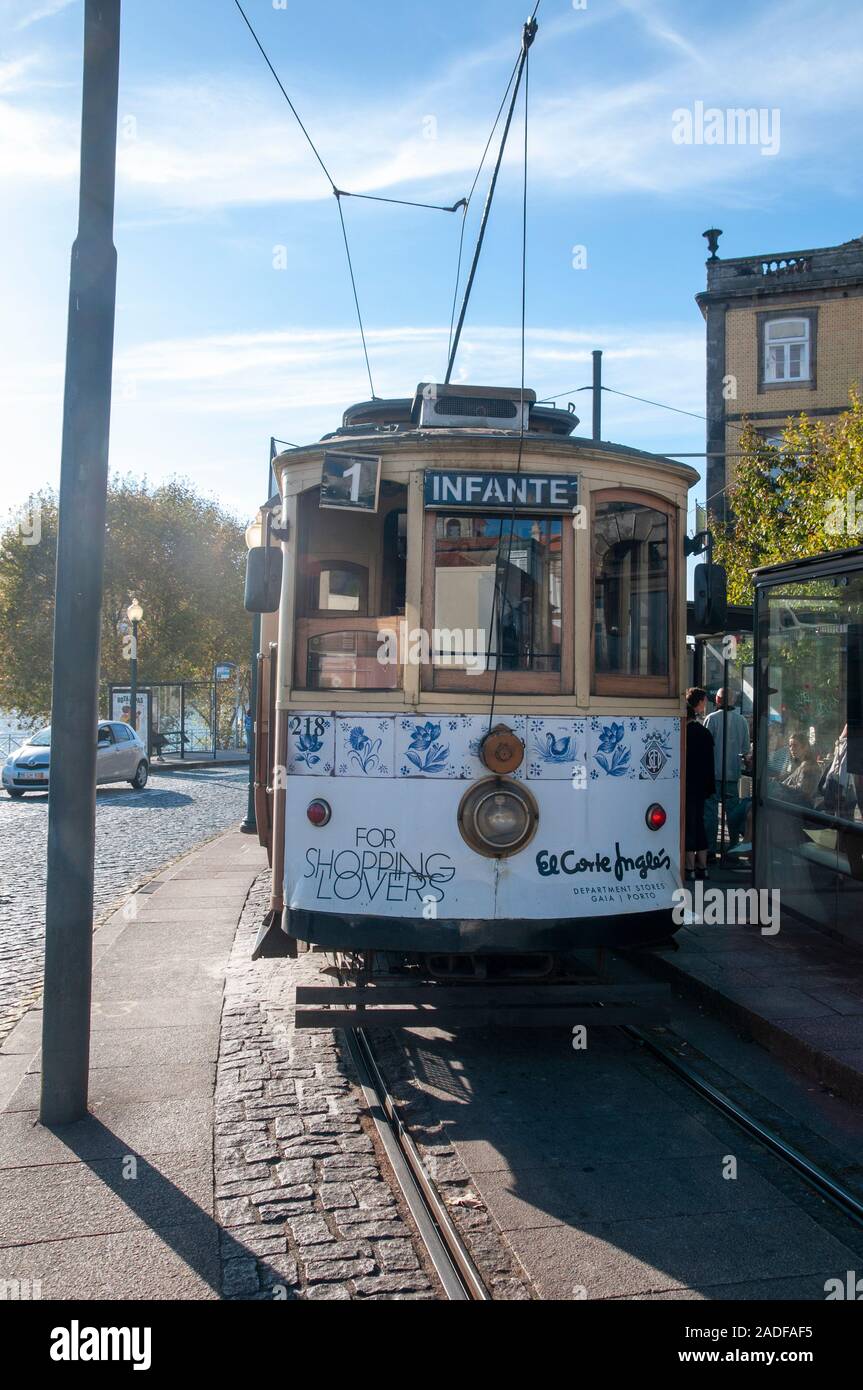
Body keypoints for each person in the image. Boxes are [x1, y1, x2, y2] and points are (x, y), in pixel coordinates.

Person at [704, 687, 751, 856]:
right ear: (733, 700)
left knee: (710, 814)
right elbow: (746, 749)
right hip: (732, 775)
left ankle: (709, 850)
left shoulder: (711, 719)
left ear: (717, 700)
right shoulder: (742, 721)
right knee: (732, 815)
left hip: (712, 775)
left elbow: (705, 747)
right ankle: (732, 848)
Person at [685, 688, 715, 881]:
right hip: (701, 786)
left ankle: (689, 868)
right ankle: (702, 866)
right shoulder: (704, 733)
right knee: (700, 823)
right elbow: (710, 763)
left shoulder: (683, 734)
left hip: (686, 786)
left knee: (688, 824)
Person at [776, 731, 820, 805]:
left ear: (805, 747)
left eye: (795, 745)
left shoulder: (810, 767)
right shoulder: (800, 764)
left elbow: (802, 793)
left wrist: (780, 786)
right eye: (790, 746)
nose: (791, 749)